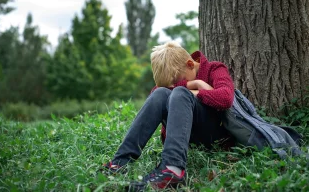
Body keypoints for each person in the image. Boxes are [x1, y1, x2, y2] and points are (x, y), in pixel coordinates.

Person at [101, 41, 235, 190]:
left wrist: (188, 91)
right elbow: (155, 96)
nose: (176, 87)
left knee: (179, 93)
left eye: (178, 81)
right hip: (186, 136)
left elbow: (225, 98)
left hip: (213, 133)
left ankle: (173, 169)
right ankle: (119, 163)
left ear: (190, 64)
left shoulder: (214, 69)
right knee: (160, 93)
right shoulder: (182, 80)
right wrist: (192, 84)